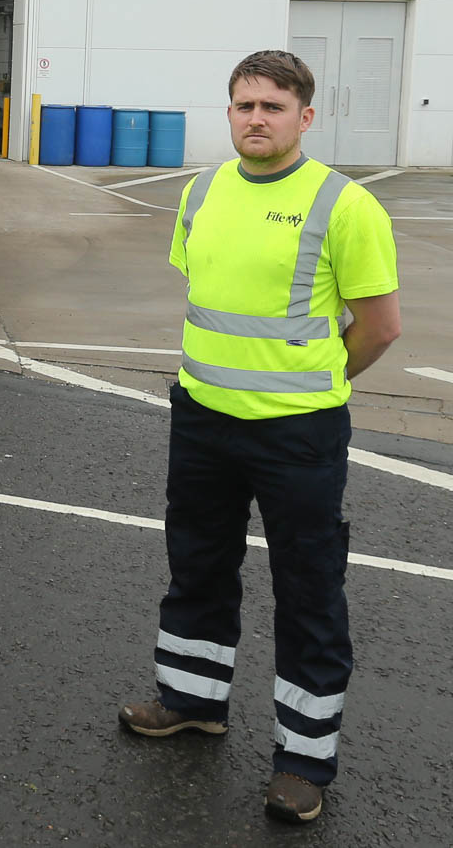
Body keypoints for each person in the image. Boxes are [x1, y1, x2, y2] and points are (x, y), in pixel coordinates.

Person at [118, 49, 401, 824]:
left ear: (305, 116)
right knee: (198, 566)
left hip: (297, 433)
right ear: (230, 112)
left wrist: (312, 384)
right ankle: (191, 701)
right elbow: (211, 296)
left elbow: (379, 329)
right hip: (204, 420)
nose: (255, 119)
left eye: (273, 107)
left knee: (309, 591)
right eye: (244, 105)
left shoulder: (344, 206)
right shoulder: (201, 191)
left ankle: (303, 763)